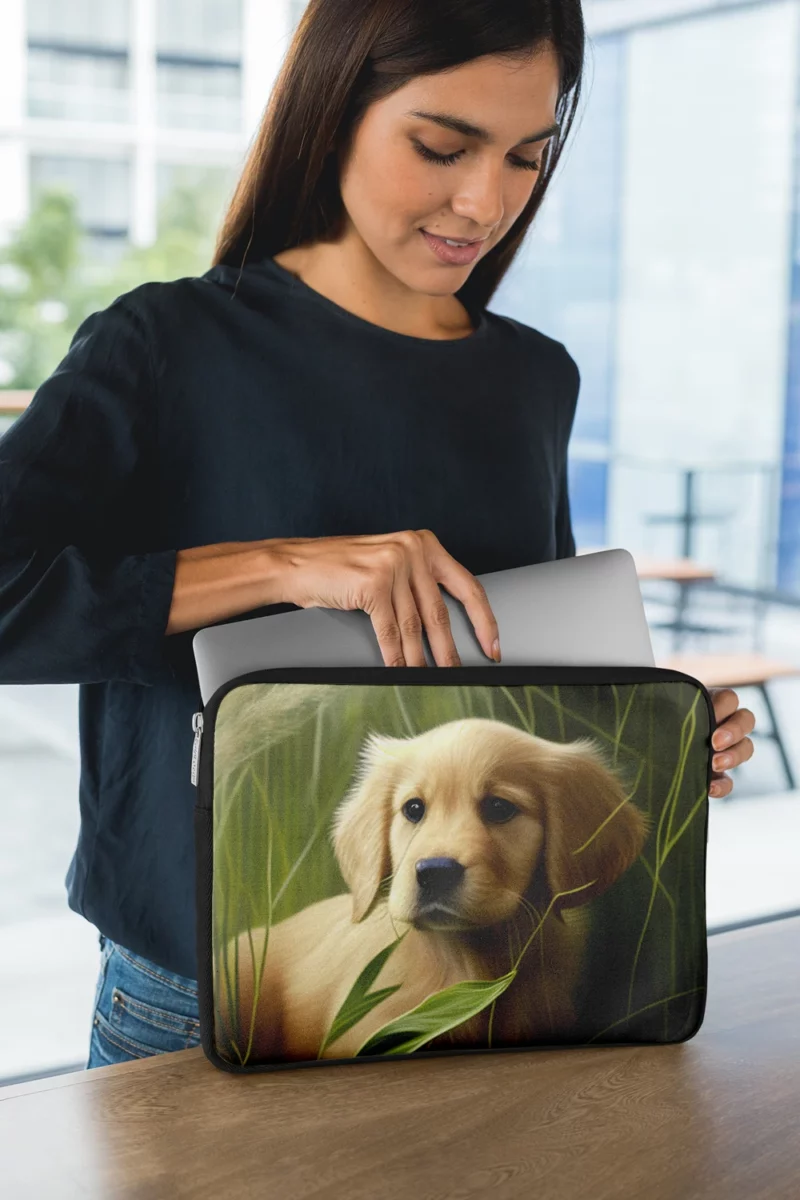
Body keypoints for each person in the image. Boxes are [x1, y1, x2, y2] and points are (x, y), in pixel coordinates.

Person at [0, 0, 755, 1070]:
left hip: (501, 1001)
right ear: (332, 109)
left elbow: (516, 662)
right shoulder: (163, 344)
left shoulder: (535, 378)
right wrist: (286, 566)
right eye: (440, 146)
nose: (482, 201)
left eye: (524, 158)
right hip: (207, 994)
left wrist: (666, 732)